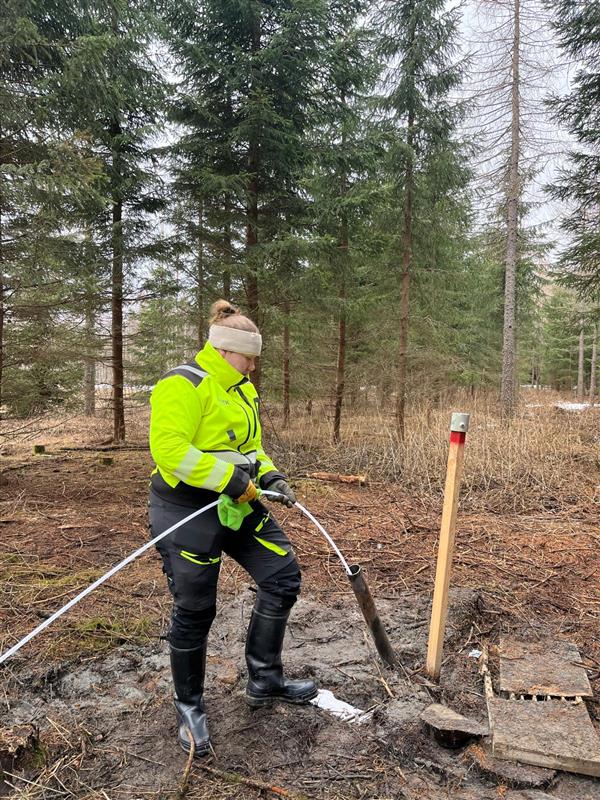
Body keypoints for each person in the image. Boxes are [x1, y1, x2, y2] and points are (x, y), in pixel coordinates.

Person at [148, 300, 317, 757]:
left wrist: (269, 475)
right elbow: (170, 451)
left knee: (281, 577)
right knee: (196, 610)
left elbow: (250, 447)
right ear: (224, 350)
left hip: (238, 502)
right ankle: (189, 707)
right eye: (249, 355)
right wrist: (231, 479)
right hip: (186, 509)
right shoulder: (182, 385)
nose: (254, 363)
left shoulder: (242, 388)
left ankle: (266, 680)